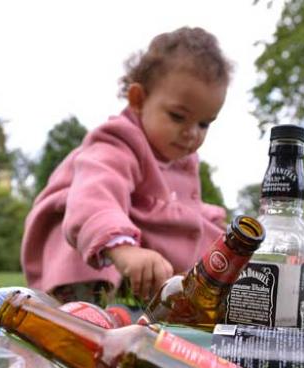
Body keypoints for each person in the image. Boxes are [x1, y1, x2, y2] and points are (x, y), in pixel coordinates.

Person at [21, 26, 231, 304]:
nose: (192, 133)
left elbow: (180, 211)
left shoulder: (181, 159)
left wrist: (222, 233)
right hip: (81, 240)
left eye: (204, 123)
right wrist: (124, 249)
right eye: (178, 116)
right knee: (87, 317)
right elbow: (95, 196)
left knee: (202, 241)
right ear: (138, 100)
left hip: (130, 242)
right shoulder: (117, 141)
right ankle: (81, 313)